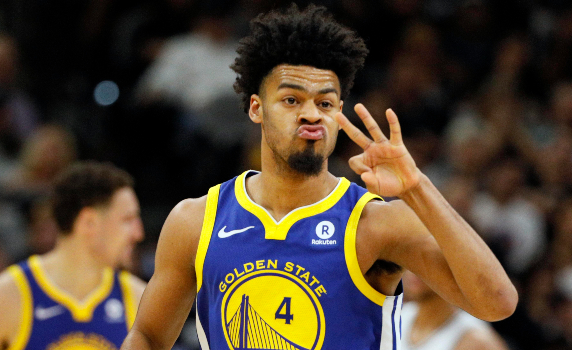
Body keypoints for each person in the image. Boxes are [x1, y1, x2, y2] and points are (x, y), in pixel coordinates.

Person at [122, 5, 516, 350]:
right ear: (257, 109)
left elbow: (497, 303)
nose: (312, 114)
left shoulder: (376, 223)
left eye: (325, 103)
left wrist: (417, 187)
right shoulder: (196, 221)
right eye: (292, 100)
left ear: (339, 113)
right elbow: (148, 336)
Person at [0, 161, 147, 350]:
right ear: (89, 222)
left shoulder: (140, 299)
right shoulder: (4, 298)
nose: (139, 233)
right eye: (128, 219)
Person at [399, 271, 507, 350]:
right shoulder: (399, 315)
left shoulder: (476, 340)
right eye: (411, 257)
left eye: (427, 260)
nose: (415, 269)